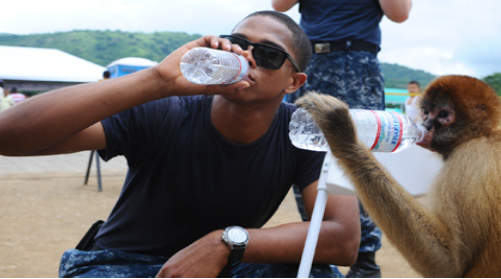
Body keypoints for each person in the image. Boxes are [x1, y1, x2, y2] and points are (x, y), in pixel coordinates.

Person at [0, 11, 360, 278]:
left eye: (268, 55)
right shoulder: (166, 108)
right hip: (119, 265)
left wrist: (226, 242)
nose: (246, 56)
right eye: (238, 44)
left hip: (225, 261)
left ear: (293, 83)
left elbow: (343, 240)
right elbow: (9, 135)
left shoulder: (307, 134)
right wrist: (158, 80)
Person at [273, 0, 412, 277]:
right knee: (304, 149)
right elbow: (279, 5)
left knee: (358, 156)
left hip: (355, 60)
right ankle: (319, 245)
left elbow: (399, 14)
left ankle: (365, 260)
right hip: (308, 60)